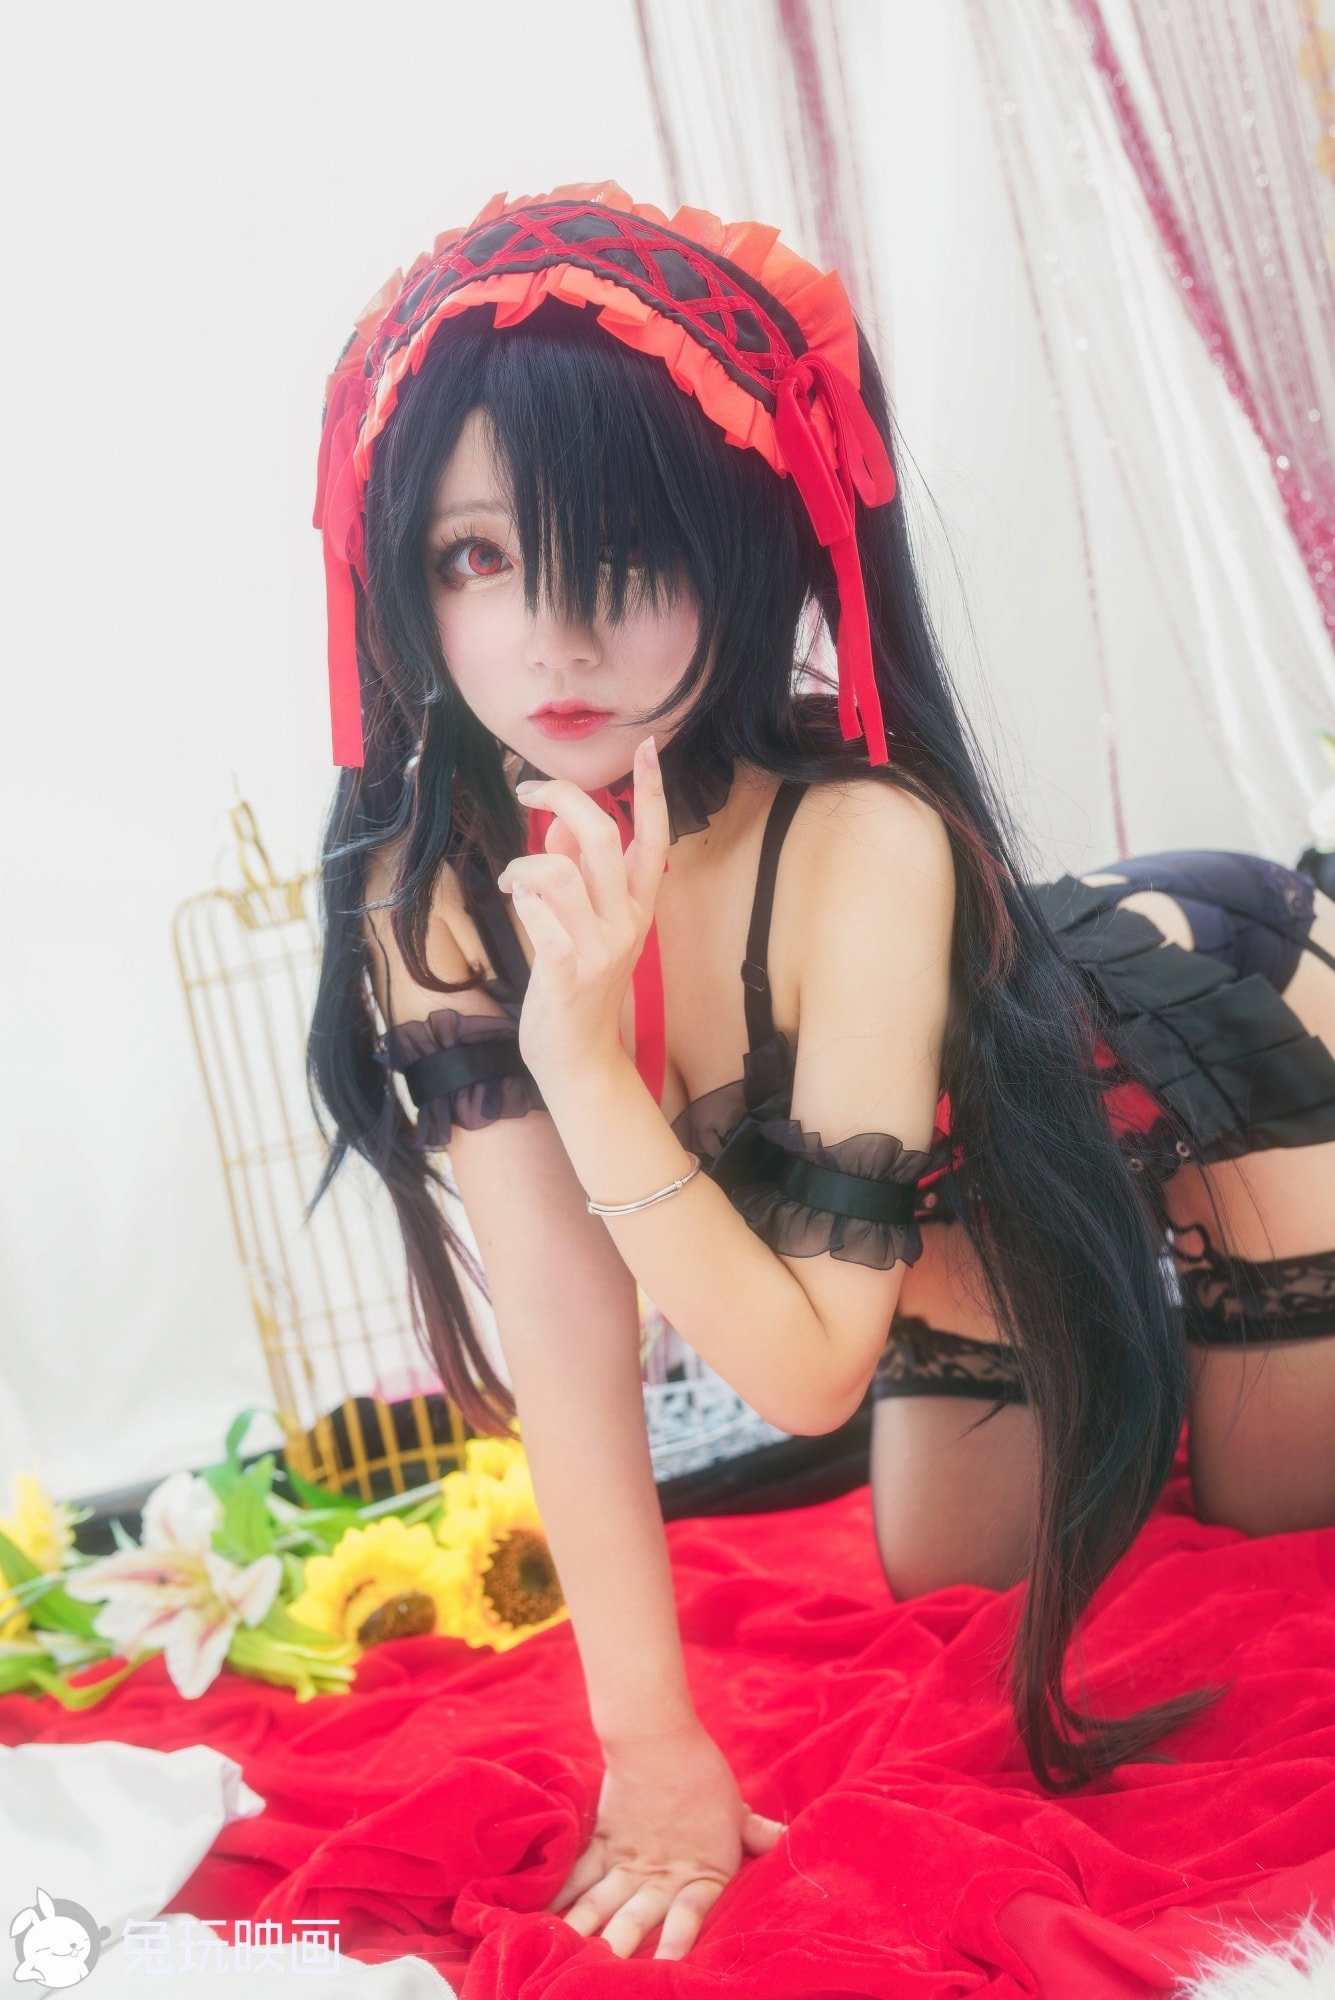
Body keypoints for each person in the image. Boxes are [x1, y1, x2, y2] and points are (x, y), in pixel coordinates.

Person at [308, 184, 1335, 1962]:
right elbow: (569, 1339)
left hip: (1229, 1073)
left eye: (624, 553)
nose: (553, 637)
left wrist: (587, 1063)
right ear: (399, 575)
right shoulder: (436, 891)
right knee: (953, 1582)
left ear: (752, 551)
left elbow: (800, 1378)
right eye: (476, 556)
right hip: (965, 1233)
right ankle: (1118, 1336)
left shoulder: (863, 839)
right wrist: (651, 1750)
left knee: (1261, 1568)